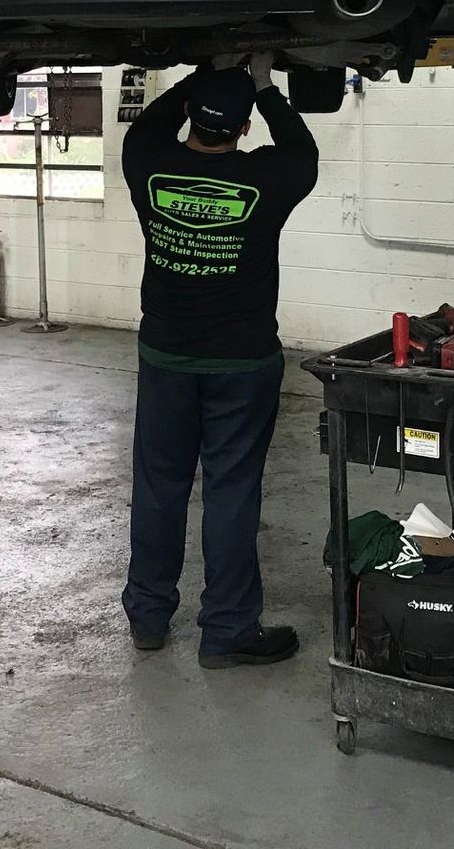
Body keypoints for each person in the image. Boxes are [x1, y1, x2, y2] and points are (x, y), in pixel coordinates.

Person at [119, 53, 320, 668]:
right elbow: (302, 149)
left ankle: (149, 618)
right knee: (232, 492)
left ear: (190, 119)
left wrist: (198, 75)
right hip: (242, 365)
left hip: (167, 358)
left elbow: (145, 127)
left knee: (159, 488)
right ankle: (227, 631)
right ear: (243, 128)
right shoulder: (267, 180)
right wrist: (263, 86)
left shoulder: (147, 162)